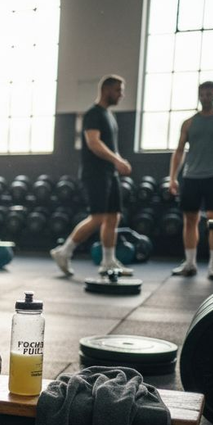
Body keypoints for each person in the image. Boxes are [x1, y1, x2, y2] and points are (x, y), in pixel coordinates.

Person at [50, 75, 133, 277]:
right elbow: (93, 143)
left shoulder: (109, 115)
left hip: (109, 173)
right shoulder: (93, 114)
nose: (121, 95)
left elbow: (109, 145)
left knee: (114, 216)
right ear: (106, 90)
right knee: (98, 218)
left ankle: (108, 261)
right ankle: (64, 251)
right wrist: (116, 160)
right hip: (95, 173)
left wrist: (119, 160)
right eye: (118, 90)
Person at [168, 81, 213, 281]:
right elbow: (180, 151)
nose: (205, 97)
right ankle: (190, 263)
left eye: (209, 94)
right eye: (202, 94)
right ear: (199, 95)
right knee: (189, 220)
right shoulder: (189, 122)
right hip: (191, 177)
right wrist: (173, 177)